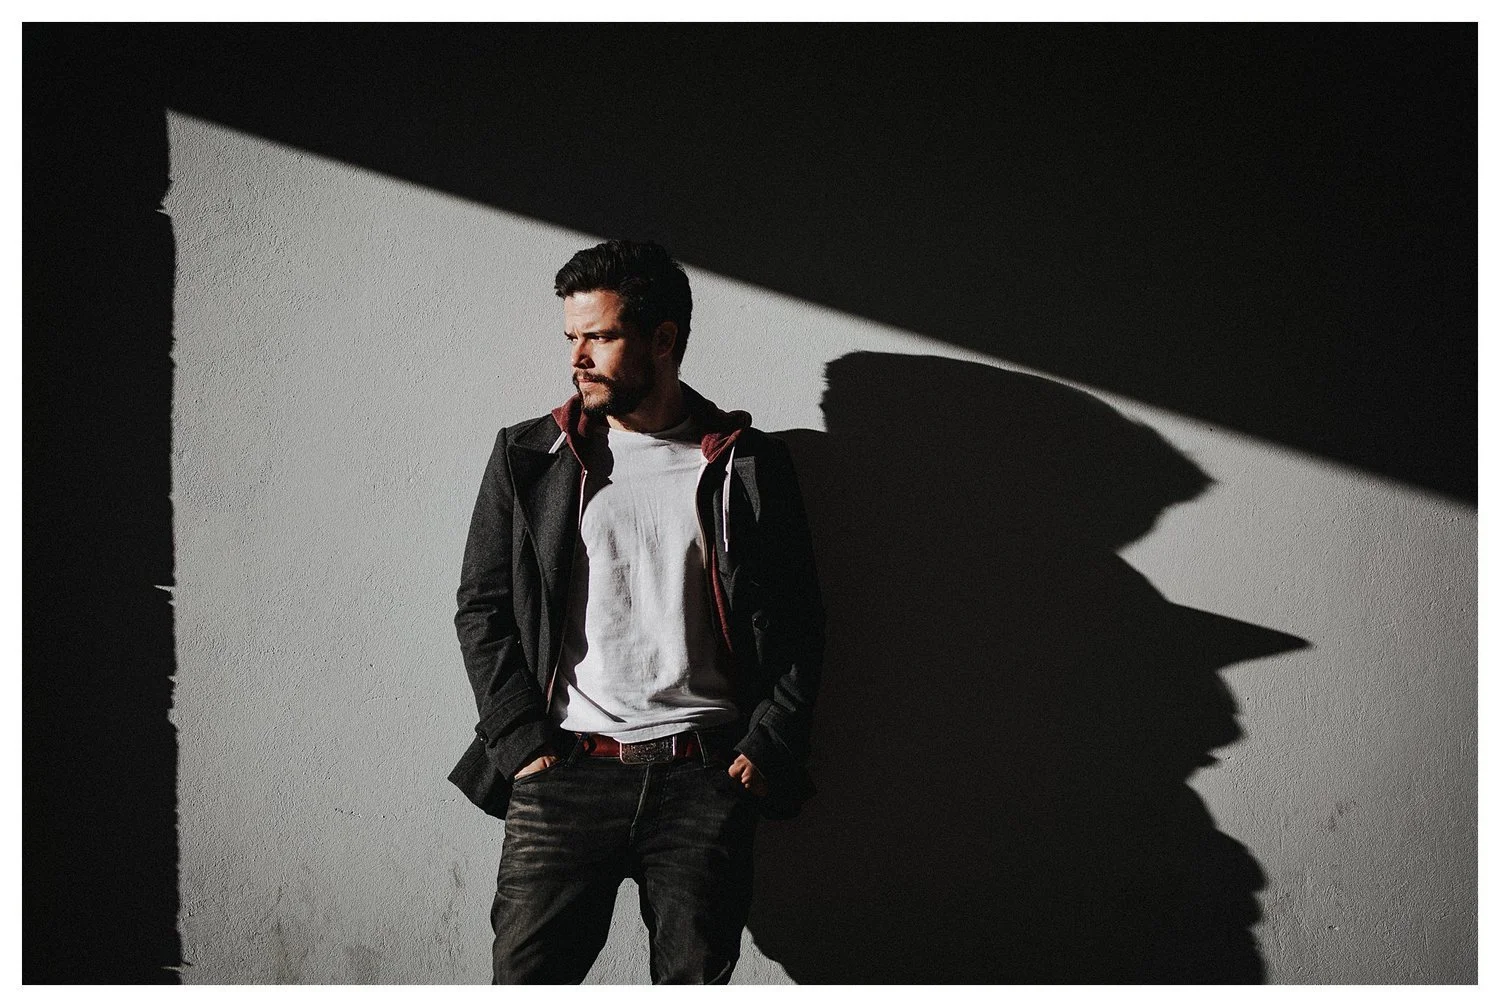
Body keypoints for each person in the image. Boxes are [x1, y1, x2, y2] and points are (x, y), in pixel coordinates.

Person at [448, 239, 826, 984]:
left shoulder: (746, 464)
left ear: (663, 339)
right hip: (565, 772)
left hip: (704, 777)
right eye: (571, 337)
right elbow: (481, 607)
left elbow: (799, 619)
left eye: (599, 336)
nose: (577, 358)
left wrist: (769, 743)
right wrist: (521, 741)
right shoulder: (531, 455)